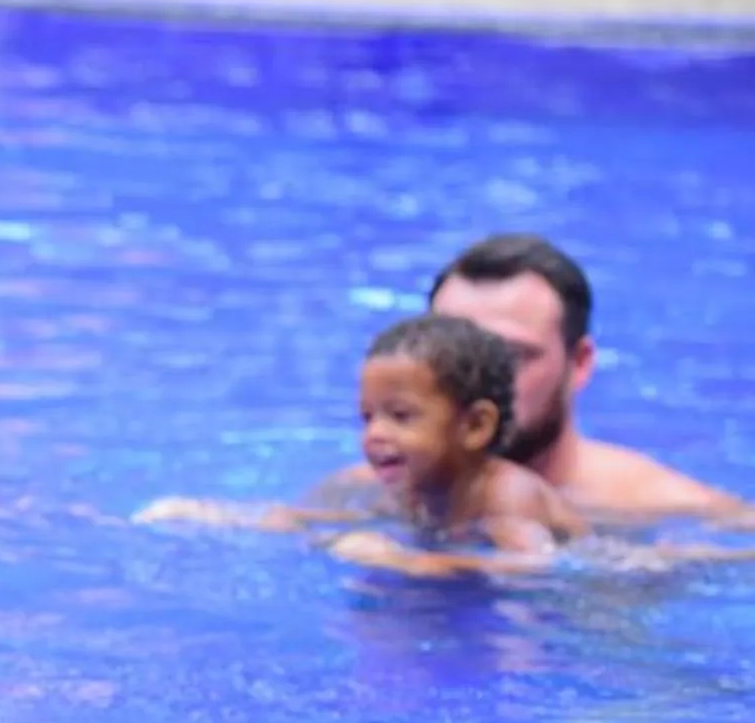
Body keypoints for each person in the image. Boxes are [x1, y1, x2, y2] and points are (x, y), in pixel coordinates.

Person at [141, 315, 584, 578]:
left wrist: (412, 563)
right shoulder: (399, 490)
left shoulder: (509, 495)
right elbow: (315, 521)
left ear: (474, 426)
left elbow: (532, 569)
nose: (374, 434)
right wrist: (220, 516)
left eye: (401, 416)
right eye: (368, 416)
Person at [360, 235, 736, 521]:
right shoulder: (373, 489)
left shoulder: (665, 511)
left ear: (580, 364)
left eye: (512, 356)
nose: (478, 381)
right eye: (454, 361)